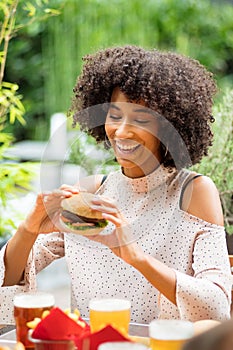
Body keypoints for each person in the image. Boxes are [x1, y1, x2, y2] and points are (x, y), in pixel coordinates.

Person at [0, 45, 232, 324]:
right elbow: (10, 282)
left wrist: (135, 256)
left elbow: (217, 307)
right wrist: (29, 228)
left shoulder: (193, 192)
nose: (121, 131)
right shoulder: (90, 193)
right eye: (115, 115)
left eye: (141, 119)